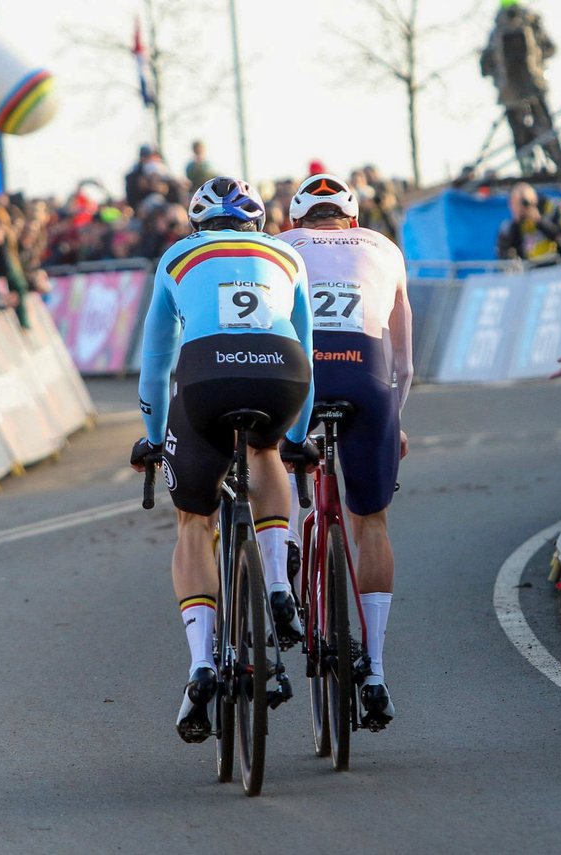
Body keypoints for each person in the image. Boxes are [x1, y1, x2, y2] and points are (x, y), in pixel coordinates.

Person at [129, 177, 315, 743]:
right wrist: (298, 436)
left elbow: (156, 363)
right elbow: (307, 348)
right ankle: (280, 585)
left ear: (195, 224)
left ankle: (202, 664)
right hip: (283, 371)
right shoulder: (287, 254)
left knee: (194, 520)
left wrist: (153, 436)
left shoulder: (176, 257)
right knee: (268, 453)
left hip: (205, 378)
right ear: (256, 223)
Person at [279, 173, 412, 729]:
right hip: (368, 382)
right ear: (352, 221)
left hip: (301, 381)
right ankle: (376, 670)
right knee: (371, 524)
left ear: (296, 222)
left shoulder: (281, 248)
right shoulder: (384, 247)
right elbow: (405, 363)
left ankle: (282, 548)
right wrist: (393, 420)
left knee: (275, 458)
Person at [479, 0, 561, 174]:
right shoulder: (530, 23)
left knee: (525, 133)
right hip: (531, 87)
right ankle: (558, 164)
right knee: (544, 128)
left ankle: (532, 167)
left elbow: (486, 63)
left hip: (512, 91)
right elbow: (550, 48)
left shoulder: (498, 30)